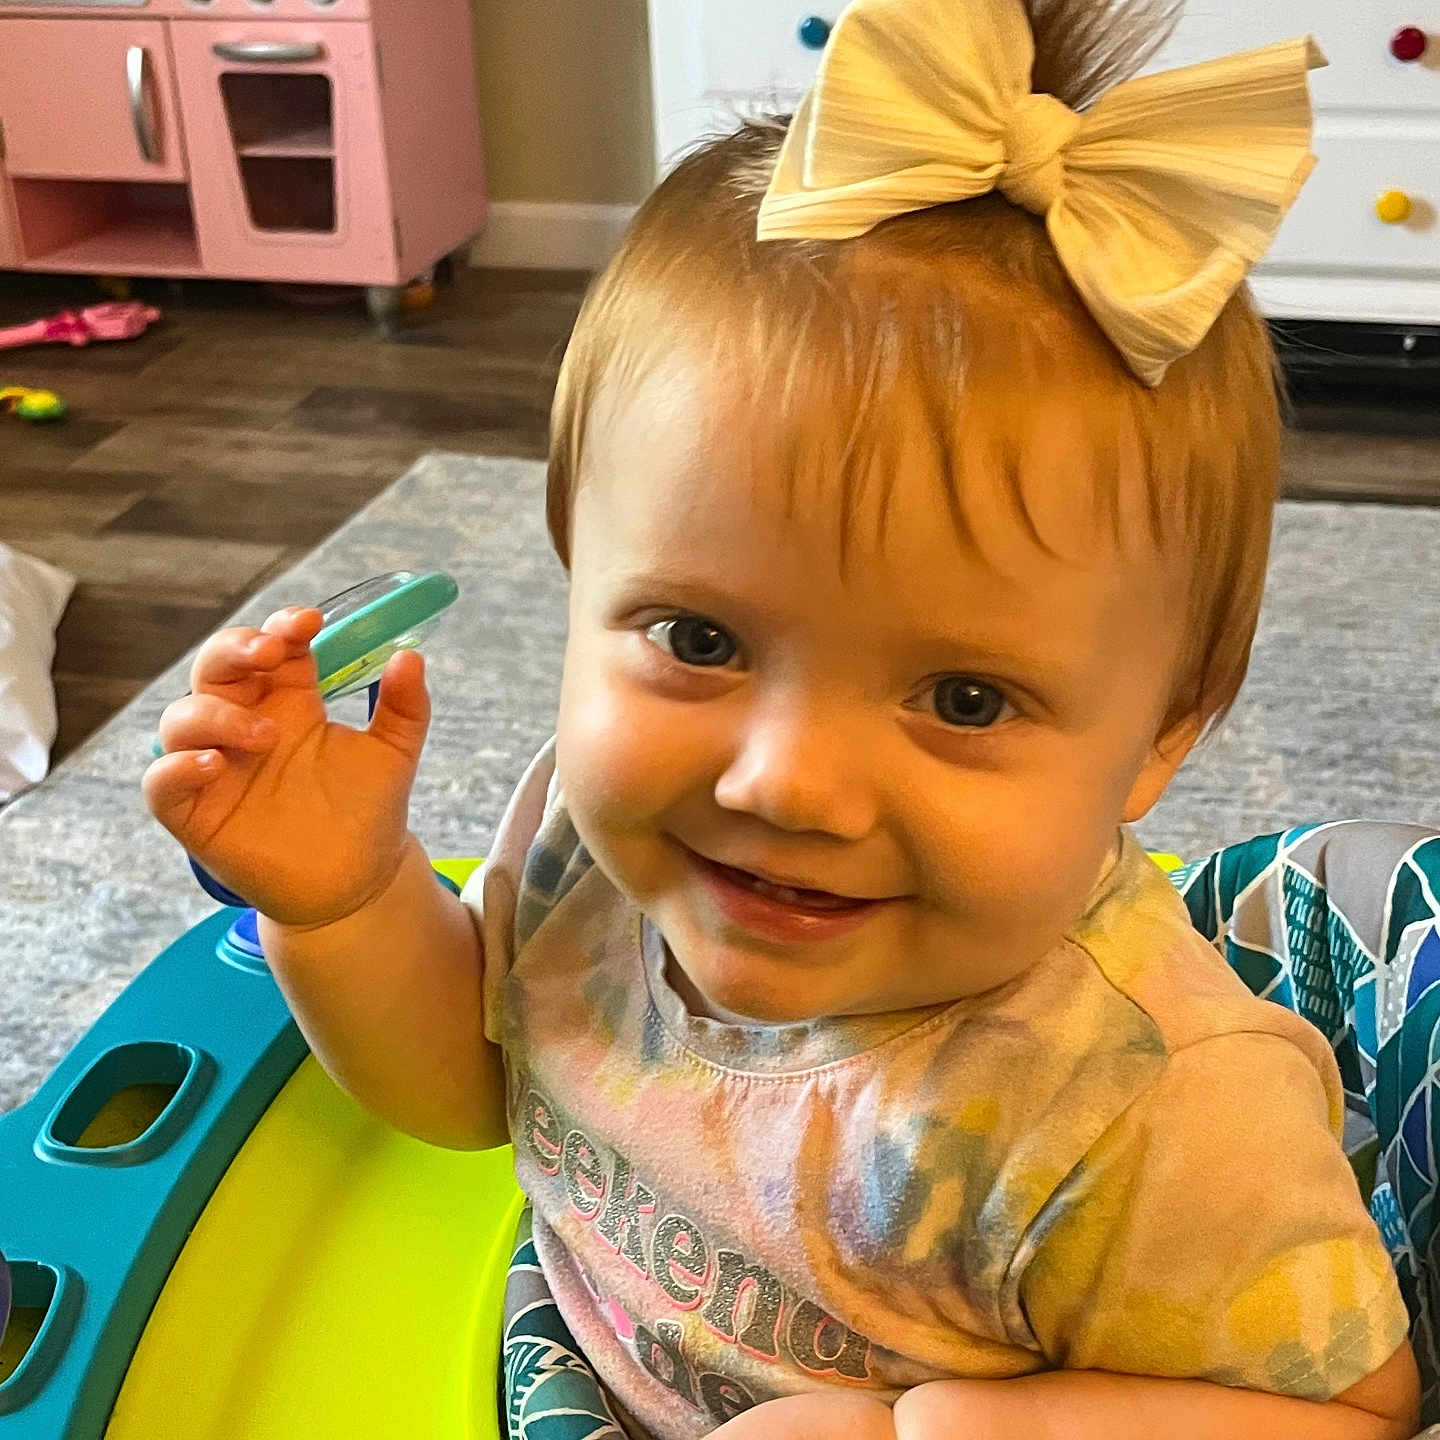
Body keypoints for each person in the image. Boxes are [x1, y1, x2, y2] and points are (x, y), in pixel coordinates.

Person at [142, 0, 1424, 1435]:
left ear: (1163, 735)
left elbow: (1355, 1413)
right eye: (700, 639)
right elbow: (480, 1089)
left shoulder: (1144, 1112)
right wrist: (346, 902)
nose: (786, 783)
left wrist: (940, 1426)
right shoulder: (604, 842)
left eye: (964, 697)